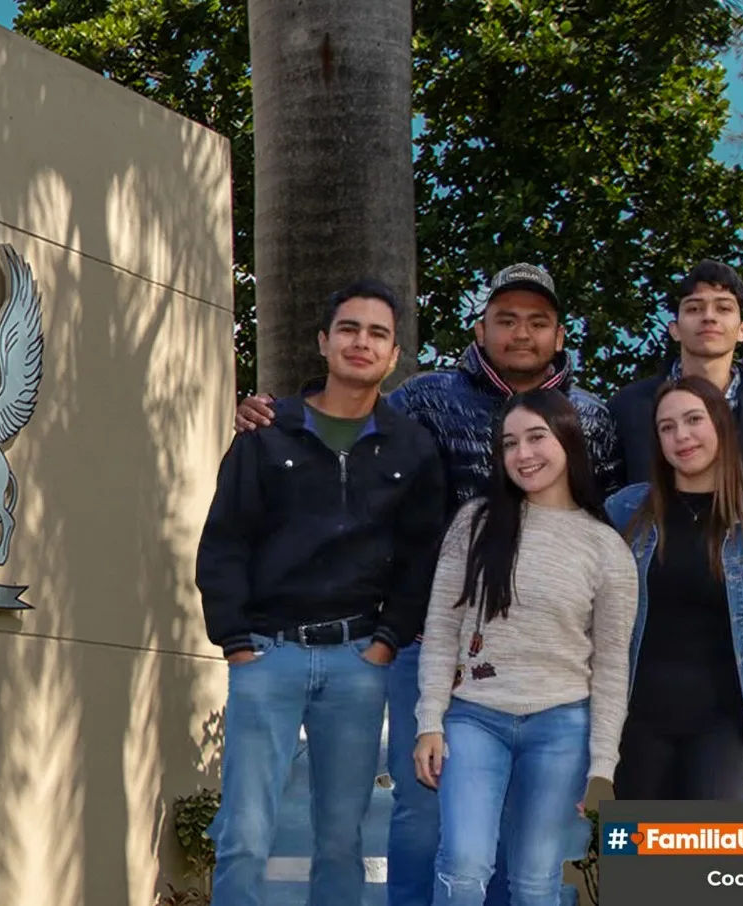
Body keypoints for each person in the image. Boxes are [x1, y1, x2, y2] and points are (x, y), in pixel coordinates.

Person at [232, 263, 619, 906]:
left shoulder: (591, 418)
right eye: (506, 319)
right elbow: (346, 422)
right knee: (426, 813)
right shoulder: (426, 398)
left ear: (558, 335)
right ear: (480, 326)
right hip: (434, 640)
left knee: (524, 835)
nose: (521, 333)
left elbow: (606, 526)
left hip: (549, 663)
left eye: (538, 321)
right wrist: (270, 416)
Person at [195, 279, 447, 906]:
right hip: (266, 655)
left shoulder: (412, 448)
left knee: (341, 838)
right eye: (350, 329)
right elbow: (224, 541)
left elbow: (422, 558)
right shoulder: (266, 432)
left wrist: (387, 642)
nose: (362, 342)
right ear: (325, 342)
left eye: (378, 334)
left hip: (358, 660)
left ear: (393, 356)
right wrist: (234, 642)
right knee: (245, 833)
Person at [412, 389, 636, 905]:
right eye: (510, 443)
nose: (523, 453)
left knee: (536, 881)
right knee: (464, 864)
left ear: (568, 441)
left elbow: (610, 668)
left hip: (562, 726)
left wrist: (602, 766)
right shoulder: (476, 522)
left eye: (537, 437)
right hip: (474, 718)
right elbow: (442, 629)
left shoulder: (606, 548)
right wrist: (430, 720)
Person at [604, 375, 743, 799]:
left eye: (694, 420)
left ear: (721, 427)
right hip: (636, 725)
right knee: (640, 859)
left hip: (723, 726)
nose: (681, 436)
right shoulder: (624, 512)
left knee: (707, 859)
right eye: (666, 427)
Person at [610, 260, 743, 502]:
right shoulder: (627, 408)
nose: (709, 317)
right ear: (675, 329)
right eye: (694, 309)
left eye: (723, 308)